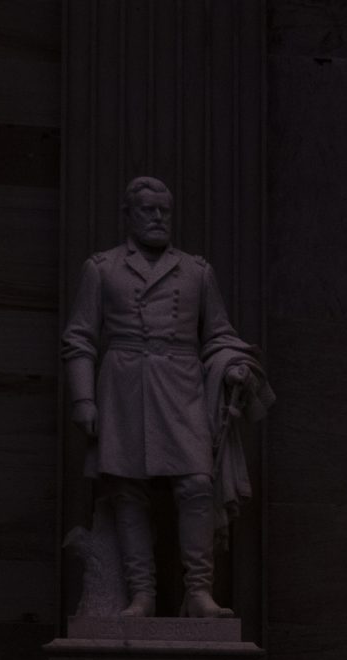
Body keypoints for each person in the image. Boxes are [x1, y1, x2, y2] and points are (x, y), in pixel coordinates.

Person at [61, 175, 268, 618]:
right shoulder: (101, 268)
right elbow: (79, 339)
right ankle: (142, 595)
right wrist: (83, 400)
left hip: (180, 388)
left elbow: (218, 334)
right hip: (123, 388)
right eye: (148, 210)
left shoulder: (197, 272)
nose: (158, 218)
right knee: (127, 491)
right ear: (128, 215)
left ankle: (198, 592)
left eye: (164, 211)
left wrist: (233, 363)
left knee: (196, 484)